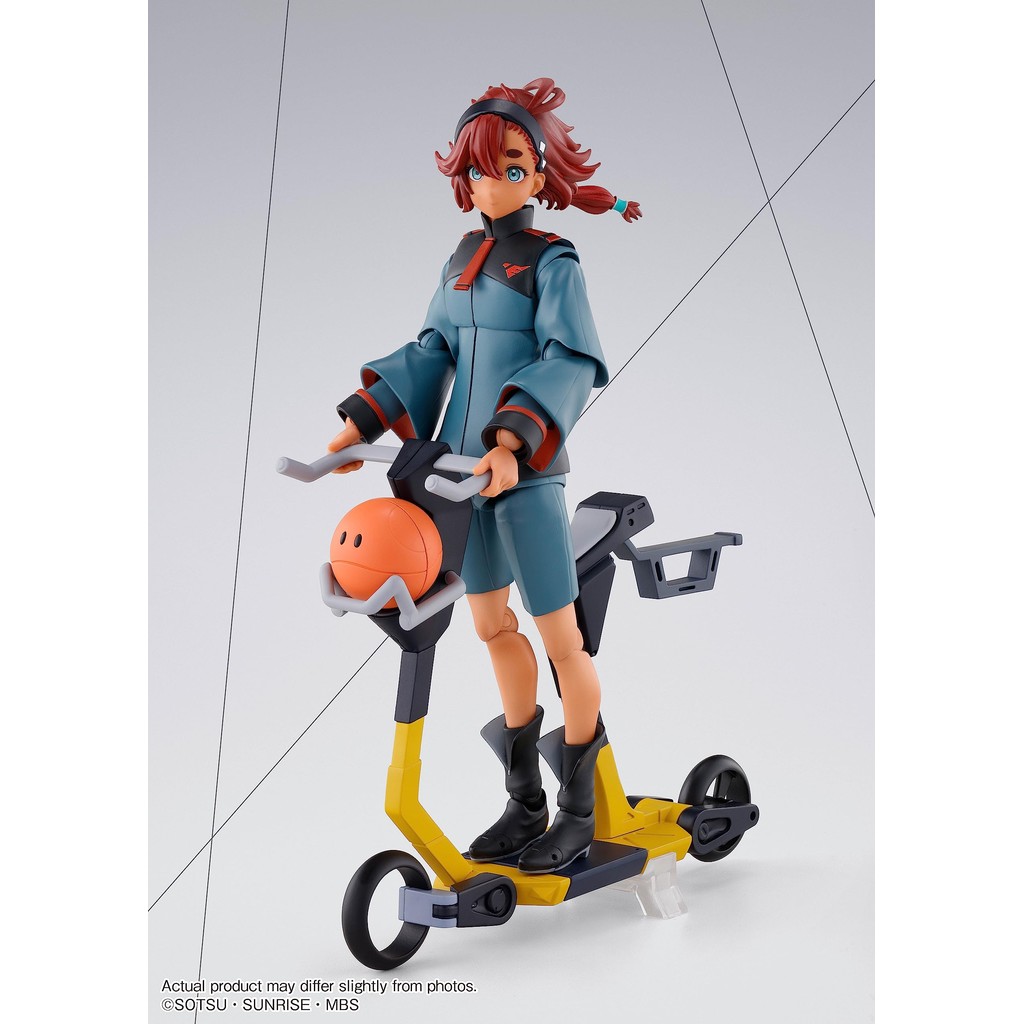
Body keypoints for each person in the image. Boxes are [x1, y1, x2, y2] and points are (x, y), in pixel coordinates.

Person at [328, 77, 641, 873]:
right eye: (476, 170)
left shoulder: (553, 262)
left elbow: (570, 357)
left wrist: (511, 444)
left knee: (562, 641)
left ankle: (577, 812)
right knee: (491, 628)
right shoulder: (461, 261)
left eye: (509, 168)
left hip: (523, 479)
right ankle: (524, 801)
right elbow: (432, 350)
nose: (489, 184)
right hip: (457, 479)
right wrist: (363, 420)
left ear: (538, 178)